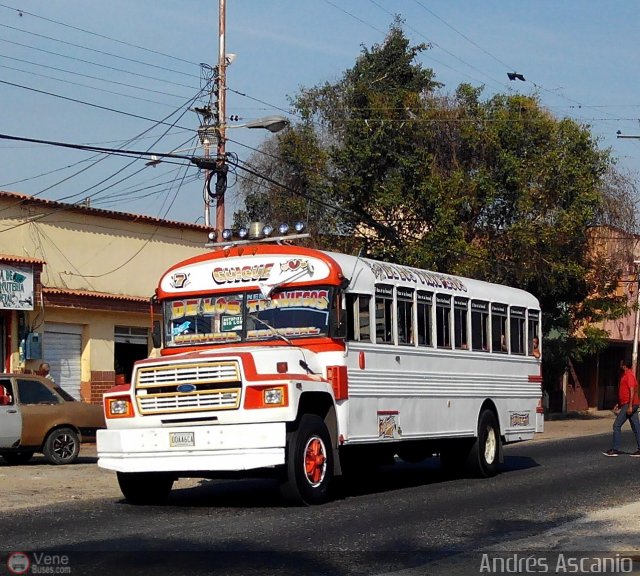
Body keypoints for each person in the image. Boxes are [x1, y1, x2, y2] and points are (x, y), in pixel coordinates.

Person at [603, 359, 640, 457]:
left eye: (621, 364)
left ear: (624, 366)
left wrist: (630, 406)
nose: (619, 365)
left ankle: (615, 449)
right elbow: (624, 392)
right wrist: (618, 403)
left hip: (629, 404)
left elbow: (632, 391)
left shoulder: (629, 375)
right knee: (636, 427)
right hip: (628, 404)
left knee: (617, 425)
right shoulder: (625, 375)